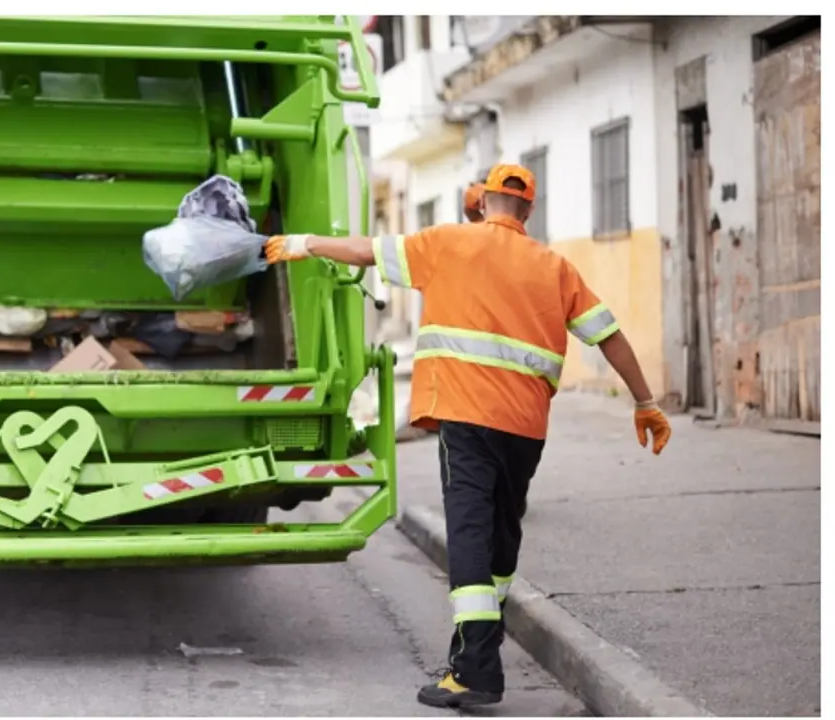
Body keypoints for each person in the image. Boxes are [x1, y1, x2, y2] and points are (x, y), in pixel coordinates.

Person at [264, 164, 672, 709]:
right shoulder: (555, 267)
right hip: (526, 427)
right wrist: (645, 402)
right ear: (528, 210)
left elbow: (366, 252)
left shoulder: (447, 243)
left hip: (466, 416)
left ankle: (477, 670)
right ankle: (472, 652)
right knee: (502, 534)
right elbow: (609, 335)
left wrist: (303, 242)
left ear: (480, 203)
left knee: (471, 535)